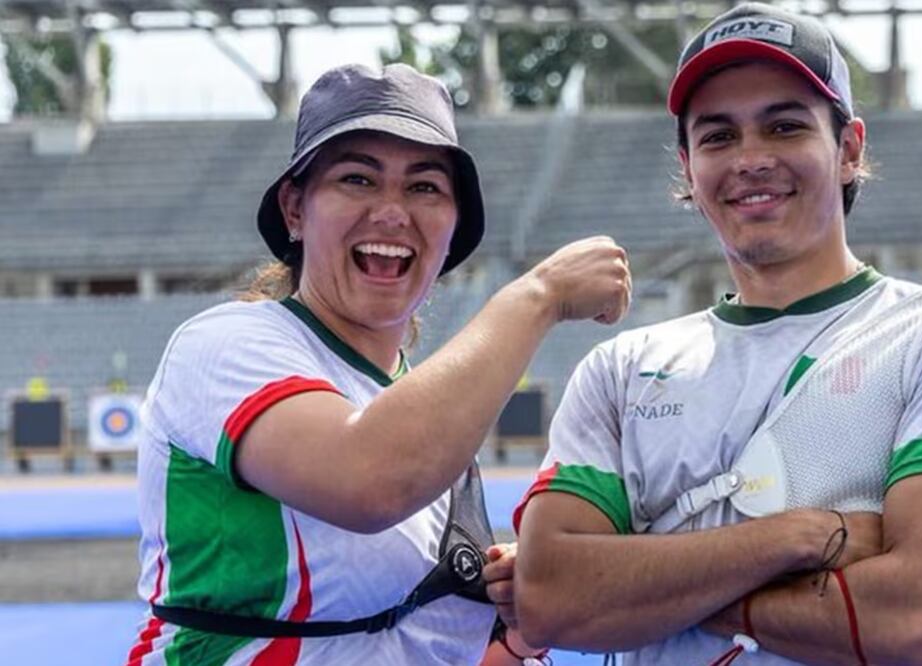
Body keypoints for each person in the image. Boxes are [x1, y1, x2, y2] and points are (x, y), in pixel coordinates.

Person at [513, 4, 922, 665]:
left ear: (849, 149)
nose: (751, 159)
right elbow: (550, 601)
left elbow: (914, 621)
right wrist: (799, 539)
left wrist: (644, 585)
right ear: (687, 169)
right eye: (717, 138)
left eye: (784, 126)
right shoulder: (620, 368)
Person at [126, 63, 631, 665]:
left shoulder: (424, 415)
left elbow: (418, 644)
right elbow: (369, 481)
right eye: (358, 179)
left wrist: (513, 625)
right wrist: (537, 296)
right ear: (295, 208)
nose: (393, 211)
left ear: (452, 228)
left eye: (425, 187)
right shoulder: (226, 343)